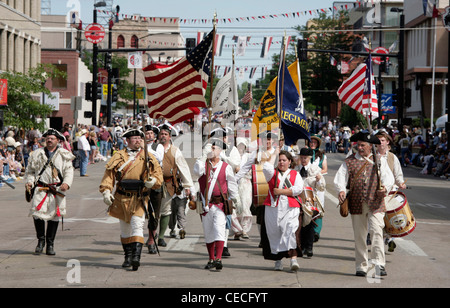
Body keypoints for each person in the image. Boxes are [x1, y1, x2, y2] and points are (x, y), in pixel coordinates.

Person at [99, 128, 163, 271]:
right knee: (125, 229)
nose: (138, 140)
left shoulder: (148, 156)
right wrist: (107, 191)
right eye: (134, 138)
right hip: (122, 197)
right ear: (127, 141)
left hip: (139, 197)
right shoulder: (119, 156)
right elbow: (109, 176)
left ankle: (136, 257)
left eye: (140, 138)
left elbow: (158, 175)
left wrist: (153, 181)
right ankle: (127, 257)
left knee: (137, 225)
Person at [334, 131, 394, 277]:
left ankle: (379, 264)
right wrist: (341, 190)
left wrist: (384, 188)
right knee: (360, 235)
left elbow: (389, 178)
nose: (359, 148)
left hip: (376, 202)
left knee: (376, 231)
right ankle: (361, 265)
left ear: (370, 146)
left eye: (362, 145)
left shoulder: (379, 160)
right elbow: (340, 178)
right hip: (356, 202)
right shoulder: (349, 161)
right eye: (358, 145)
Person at [25, 128, 75, 255]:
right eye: (47, 139)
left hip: (57, 190)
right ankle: (40, 241)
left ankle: (50, 244)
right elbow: (30, 171)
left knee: (54, 216)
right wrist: (30, 182)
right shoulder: (37, 153)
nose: (49, 141)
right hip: (40, 189)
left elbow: (69, 171)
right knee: (37, 214)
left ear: (58, 140)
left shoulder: (64, 154)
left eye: (52, 139)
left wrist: (66, 184)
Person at [194, 138, 239, 270]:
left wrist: (236, 198)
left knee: (219, 230)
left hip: (219, 204)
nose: (212, 150)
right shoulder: (203, 164)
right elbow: (197, 172)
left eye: (214, 148)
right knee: (208, 232)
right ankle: (211, 258)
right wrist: (203, 156)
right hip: (205, 204)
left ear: (220, 151)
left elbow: (231, 184)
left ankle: (218, 258)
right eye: (210, 148)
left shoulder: (226, 167)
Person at [260, 149, 303, 271]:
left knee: (291, 231)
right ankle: (277, 261)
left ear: (290, 162)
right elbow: (266, 167)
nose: (281, 162)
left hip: (291, 208)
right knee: (275, 233)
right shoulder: (272, 173)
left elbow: (298, 189)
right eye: (279, 160)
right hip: (273, 208)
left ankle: (293, 259)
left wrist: (282, 191)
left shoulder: (295, 174)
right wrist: (274, 154)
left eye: (284, 160)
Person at [158, 123, 195, 246]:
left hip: (168, 185)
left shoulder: (175, 151)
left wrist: (188, 186)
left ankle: (161, 236)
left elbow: (184, 168)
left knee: (168, 211)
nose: (163, 136)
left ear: (169, 137)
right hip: (153, 185)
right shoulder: (152, 148)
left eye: (165, 134)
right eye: (161, 134)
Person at [296, 147, 325, 258]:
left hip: (310, 199)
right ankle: (301, 246)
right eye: (302, 157)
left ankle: (309, 247)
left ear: (309, 158)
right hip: (298, 198)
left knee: (310, 223)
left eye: (305, 158)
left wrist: (318, 180)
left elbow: (322, 187)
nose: (303, 160)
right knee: (300, 223)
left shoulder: (315, 169)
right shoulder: (296, 168)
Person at [144, 124, 164, 254]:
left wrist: (145, 152)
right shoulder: (139, 147)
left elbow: (158, 158)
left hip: (155, 182)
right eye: (147, 133)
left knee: (154, 213)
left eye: (151, 133)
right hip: (142, 183)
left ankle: (152, 239)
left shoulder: (158, 147)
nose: (149, 135)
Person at [231, 137, 253, 240]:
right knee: (235, 207)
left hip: (245, 183)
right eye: (239, 145)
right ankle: (236, 230)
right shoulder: (232, 155)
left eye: (242, 145)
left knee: (245, 206)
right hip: (234, 183)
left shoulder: (248, 156)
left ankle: (244, 229)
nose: (240, 147)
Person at [307, 134, 327, 242]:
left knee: (319, 208)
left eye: (315, 142)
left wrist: (317, 173)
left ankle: (316, 231)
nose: (313, 144)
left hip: (318, 182)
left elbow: (325, 168)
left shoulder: (322, 155)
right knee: (307, 207)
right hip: (307, 183)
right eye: (311, 142)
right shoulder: (305, 153)